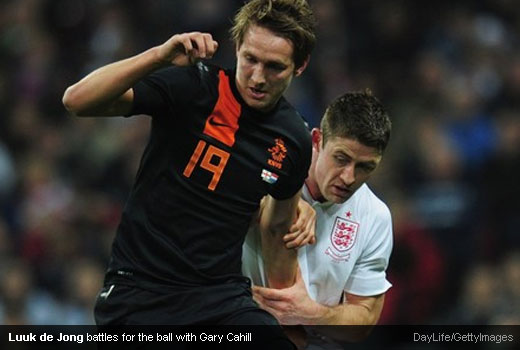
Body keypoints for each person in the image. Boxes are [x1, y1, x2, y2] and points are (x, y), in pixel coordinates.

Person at [62, 0, 317, 344]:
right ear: (237, 47)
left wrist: (290, 314)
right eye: (250, 60)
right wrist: (158, 57)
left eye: (274, 67)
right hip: (140, 292)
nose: (258, 77)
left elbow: (276, 229)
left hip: (219, 300)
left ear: (299, 66)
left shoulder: (294, 140)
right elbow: (77, 101)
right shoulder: (194, 86)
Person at [242, 91, 393, 349]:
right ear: (317, 140)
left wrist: (310, 313)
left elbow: (365, 316)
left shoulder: (375, 217)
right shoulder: (270, 169)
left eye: (365, 167)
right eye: (341, 159)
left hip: (314, 341)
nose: (348, 177)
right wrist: (284, 200)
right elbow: (220, 201)